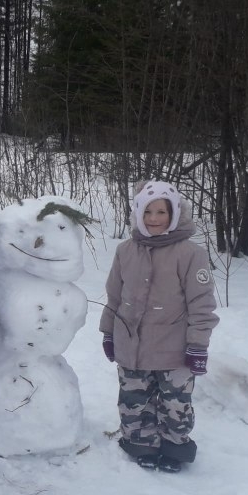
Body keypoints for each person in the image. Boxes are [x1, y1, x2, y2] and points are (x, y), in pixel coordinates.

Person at [99, 181, 218, 473]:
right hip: (132, 346)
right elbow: (114, 296)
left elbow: (201, 304)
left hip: (174, 348)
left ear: (174, 213)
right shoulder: (125, 251)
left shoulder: (190, 253)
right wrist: (109, 333)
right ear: (138, 213)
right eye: (148, 211)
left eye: (161, 212)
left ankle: (174, 448)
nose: (154, 218)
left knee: (175, 404)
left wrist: (198, 345)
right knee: (134, 400)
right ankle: (141, 444)